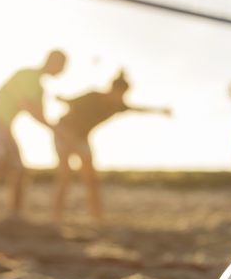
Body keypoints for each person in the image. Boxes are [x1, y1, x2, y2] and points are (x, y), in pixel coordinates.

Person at [53, 71, 171, 222]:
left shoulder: (118, 106)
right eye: (120, 93)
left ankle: (97, 218)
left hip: (82, 138)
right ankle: (57, 218)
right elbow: (71, 102)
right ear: (112, 89)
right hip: (64, 131)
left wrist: (160, 111)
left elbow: (139, 109)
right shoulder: (93, 95)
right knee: (65, 175)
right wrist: (61, 99)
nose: (121, 97)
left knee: (91, 179)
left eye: (124, 94)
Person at [0, 50, 67, 222]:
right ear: (52, 61)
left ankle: (13, 215)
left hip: (2, 124)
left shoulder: (39, 87)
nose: (63, 70)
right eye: (62, 65)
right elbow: (28, 106)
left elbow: (38, 112)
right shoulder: (27, 76)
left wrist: (53, 126)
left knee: (15, 169)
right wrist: (55, 129)